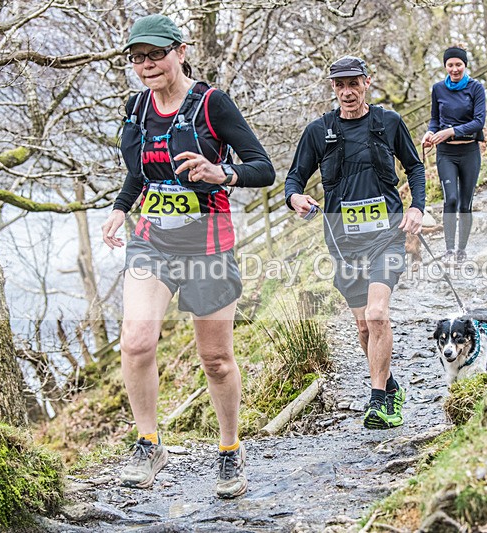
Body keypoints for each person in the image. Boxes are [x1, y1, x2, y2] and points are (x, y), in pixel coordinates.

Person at [101, 14, 275, 497]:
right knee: (136, 342)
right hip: (151, 241)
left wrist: (222, 173)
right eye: (138, 57)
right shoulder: (136, 109)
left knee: (215, 358)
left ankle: (229, 449)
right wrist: (120, 209)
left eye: (156, 54)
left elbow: (264, 168)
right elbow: (139, 173)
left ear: (180, 51)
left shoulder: (212, 104)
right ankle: (149, 443)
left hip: (208, 245)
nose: (147, 64)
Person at [284, 56, 425, 430]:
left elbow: (415, 166)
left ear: (366, 82)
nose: (347, 92)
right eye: (339, 85)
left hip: (386, 237)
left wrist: (417, 207)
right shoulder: (319, 132)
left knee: (378, 316)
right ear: (333, 88)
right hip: (342, 242)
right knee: (364, 328)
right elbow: (294, 179)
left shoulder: (388, 123)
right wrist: (295, 198)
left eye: (353, 83)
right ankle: (390, 385)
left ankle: (378, 402)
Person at [420, 46, 485, 263]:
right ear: (445, 66)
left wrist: (452, 131)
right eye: (450, 64)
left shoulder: (476, 88)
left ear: (465, 65)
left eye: (459, 64)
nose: (455, 69)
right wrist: (430, 132)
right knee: (451, 199)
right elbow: (434, 119)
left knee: (465, 203)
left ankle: (461, 251)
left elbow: (479, 122)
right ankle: (448, 250)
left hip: (469, 151)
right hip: (446, 152)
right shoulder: (438, 89)